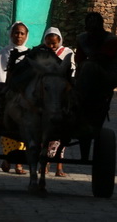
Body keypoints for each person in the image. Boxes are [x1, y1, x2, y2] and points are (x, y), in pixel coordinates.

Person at [0, 21, 29, 174]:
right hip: (8, 94)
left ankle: (19, 163)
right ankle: (7, 158)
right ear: (11, 34)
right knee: (7, 128)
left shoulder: (30, 54)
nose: (18, 36)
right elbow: (1, 73)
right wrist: (5, 91)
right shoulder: (4, 52)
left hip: (24, 95)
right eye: (16, 33)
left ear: (26, 36)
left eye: (22, 33)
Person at [74, 12, 117, 131]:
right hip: (87, 74)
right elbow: (79, 59)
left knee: (89, 66)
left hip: (108, 73)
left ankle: (81, 98)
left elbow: (103, 59)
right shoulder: (82, 39)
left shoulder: (110, 40)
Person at [42, 26, 75, 177]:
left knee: (60, 135)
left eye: (54, 43)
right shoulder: (41, 53)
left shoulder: (67, 53)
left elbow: (72, 71)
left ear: (60, 41)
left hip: (62, 94)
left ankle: (59, 167)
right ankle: (45, 163)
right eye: (48, 43)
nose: (51, 46)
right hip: (45, 93)